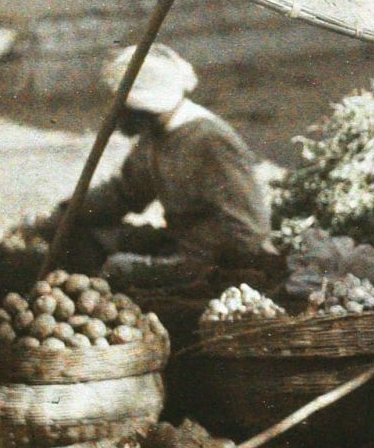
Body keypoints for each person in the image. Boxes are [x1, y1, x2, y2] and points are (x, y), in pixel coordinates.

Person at [46, 44, 275, 287]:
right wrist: (69, 211)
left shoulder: (209, 141)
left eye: (121, 108)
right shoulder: (155, 135)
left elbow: (249, 232)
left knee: (117, 268)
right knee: (81, 235)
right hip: (178, 242)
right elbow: (124, 193)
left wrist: (196, 263)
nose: (114, 116)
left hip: (213, 262)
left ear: (143, 107)